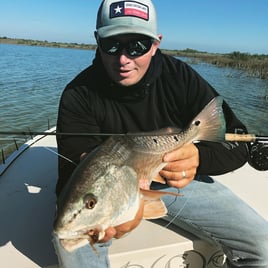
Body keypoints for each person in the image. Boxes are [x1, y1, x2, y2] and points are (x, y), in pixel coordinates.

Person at [54, 0, 268, 267]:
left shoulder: (181, 78)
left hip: (170, 180)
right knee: (71, 243)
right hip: (108, 191)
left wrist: (198, 158)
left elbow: (237, 143)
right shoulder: (78, 95)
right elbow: (72, 175)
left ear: (156, 44)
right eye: (111, 45)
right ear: (97, 40)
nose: (123, 59)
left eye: (137, 46)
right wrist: (124, 207)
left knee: (263, 244)